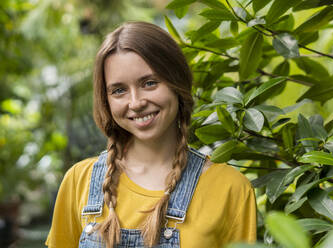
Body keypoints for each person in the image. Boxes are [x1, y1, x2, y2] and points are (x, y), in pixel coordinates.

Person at [46, 21, 256, 248]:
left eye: (149, 83)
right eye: (119, 90)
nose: (135, 103)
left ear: (177, 83)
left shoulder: (230, 188)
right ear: (106, 99)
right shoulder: (79, 181)